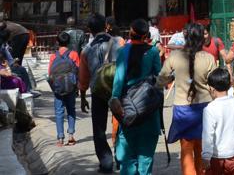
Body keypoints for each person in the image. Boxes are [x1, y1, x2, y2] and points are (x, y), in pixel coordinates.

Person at [158, 23, 216, 175]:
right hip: (205, 107)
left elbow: (160, 80)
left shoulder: (174, 56)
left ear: (185, 37)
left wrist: (172, 77)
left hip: (182, 108)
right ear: (201, 39)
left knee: (186, 148)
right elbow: (215, 83)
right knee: (202, 148)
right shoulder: (209, 58)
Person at [110, 19, 162, 175]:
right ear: (146, 35)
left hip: (127, 109)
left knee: (127, 156)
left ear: (131, 33)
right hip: (149, 111)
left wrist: (114, 100)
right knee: (146, 157)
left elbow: (118, 81)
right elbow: (158, 80)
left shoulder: (122, 51)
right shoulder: (153, 52)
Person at [79, 13, 124, 173]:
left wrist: (83, 97)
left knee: (99, 128)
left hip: (98, 91)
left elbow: (83, 78)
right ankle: (121, 158)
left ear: (89, 29)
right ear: (106, 25)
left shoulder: (86, 50)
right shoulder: (119, 43)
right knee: (123, 123)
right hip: (118, 89)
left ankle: (106, 163)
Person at [201, 68, 234, 175]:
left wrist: (205, 156)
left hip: (215, 156)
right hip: (233, 153)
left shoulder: (209, 109)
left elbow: (208, 135)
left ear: (212, 89)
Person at [48, 31, 80, 147]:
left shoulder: (53, 56)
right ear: (69, 42)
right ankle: (71, 136)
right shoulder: (74, 54)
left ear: (57, 42)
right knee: (71, 110)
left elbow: (50, 74)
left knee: (59, 112)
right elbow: (78, 72)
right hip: (71, 88)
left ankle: (60, 139)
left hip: (58, 89)